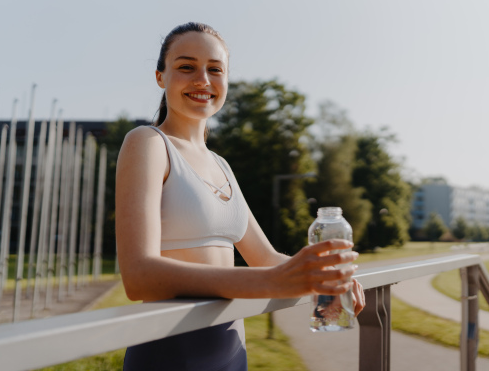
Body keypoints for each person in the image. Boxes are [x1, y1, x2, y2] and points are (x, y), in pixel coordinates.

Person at [116, 22, 365, 371]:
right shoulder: (147, 143)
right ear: (160, 76)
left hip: (232, 356)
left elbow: (265, 257)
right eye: (186, 66)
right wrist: (270, 282)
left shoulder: (221, 165)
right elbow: (138, 275)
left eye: (215, 69)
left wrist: (321, 276)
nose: (203, 79)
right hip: (168, 357)